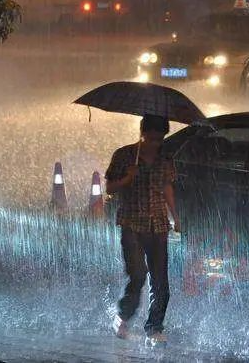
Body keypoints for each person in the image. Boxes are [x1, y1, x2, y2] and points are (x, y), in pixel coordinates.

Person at [105, 114, 180, 346]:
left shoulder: (166, 158)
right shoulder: (125, 155)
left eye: (160, 139)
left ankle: (154, 328)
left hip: (158, 225)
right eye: (152, 138)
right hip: (132, 224)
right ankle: (123, 316)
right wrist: (128, 178)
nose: (155, 144)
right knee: (138, 276)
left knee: (161, 283)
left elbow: (167, 186)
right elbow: (109, 186)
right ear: (142, 133)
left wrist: (175, 216)